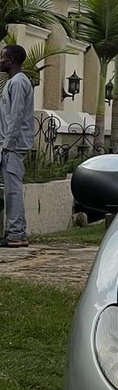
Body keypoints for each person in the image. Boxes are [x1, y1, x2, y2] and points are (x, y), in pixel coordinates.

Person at [0, 44, 35, 247]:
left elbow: (16, 115)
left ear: (11, 60)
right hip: (10, 144)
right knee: (11, 189)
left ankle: (16, 234)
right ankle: (16, 232)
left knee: (13, 189)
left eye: (2, 57)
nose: (0, 61)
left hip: (12, 146)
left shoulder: (18, 83)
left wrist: (7, 145)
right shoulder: (14, 82)